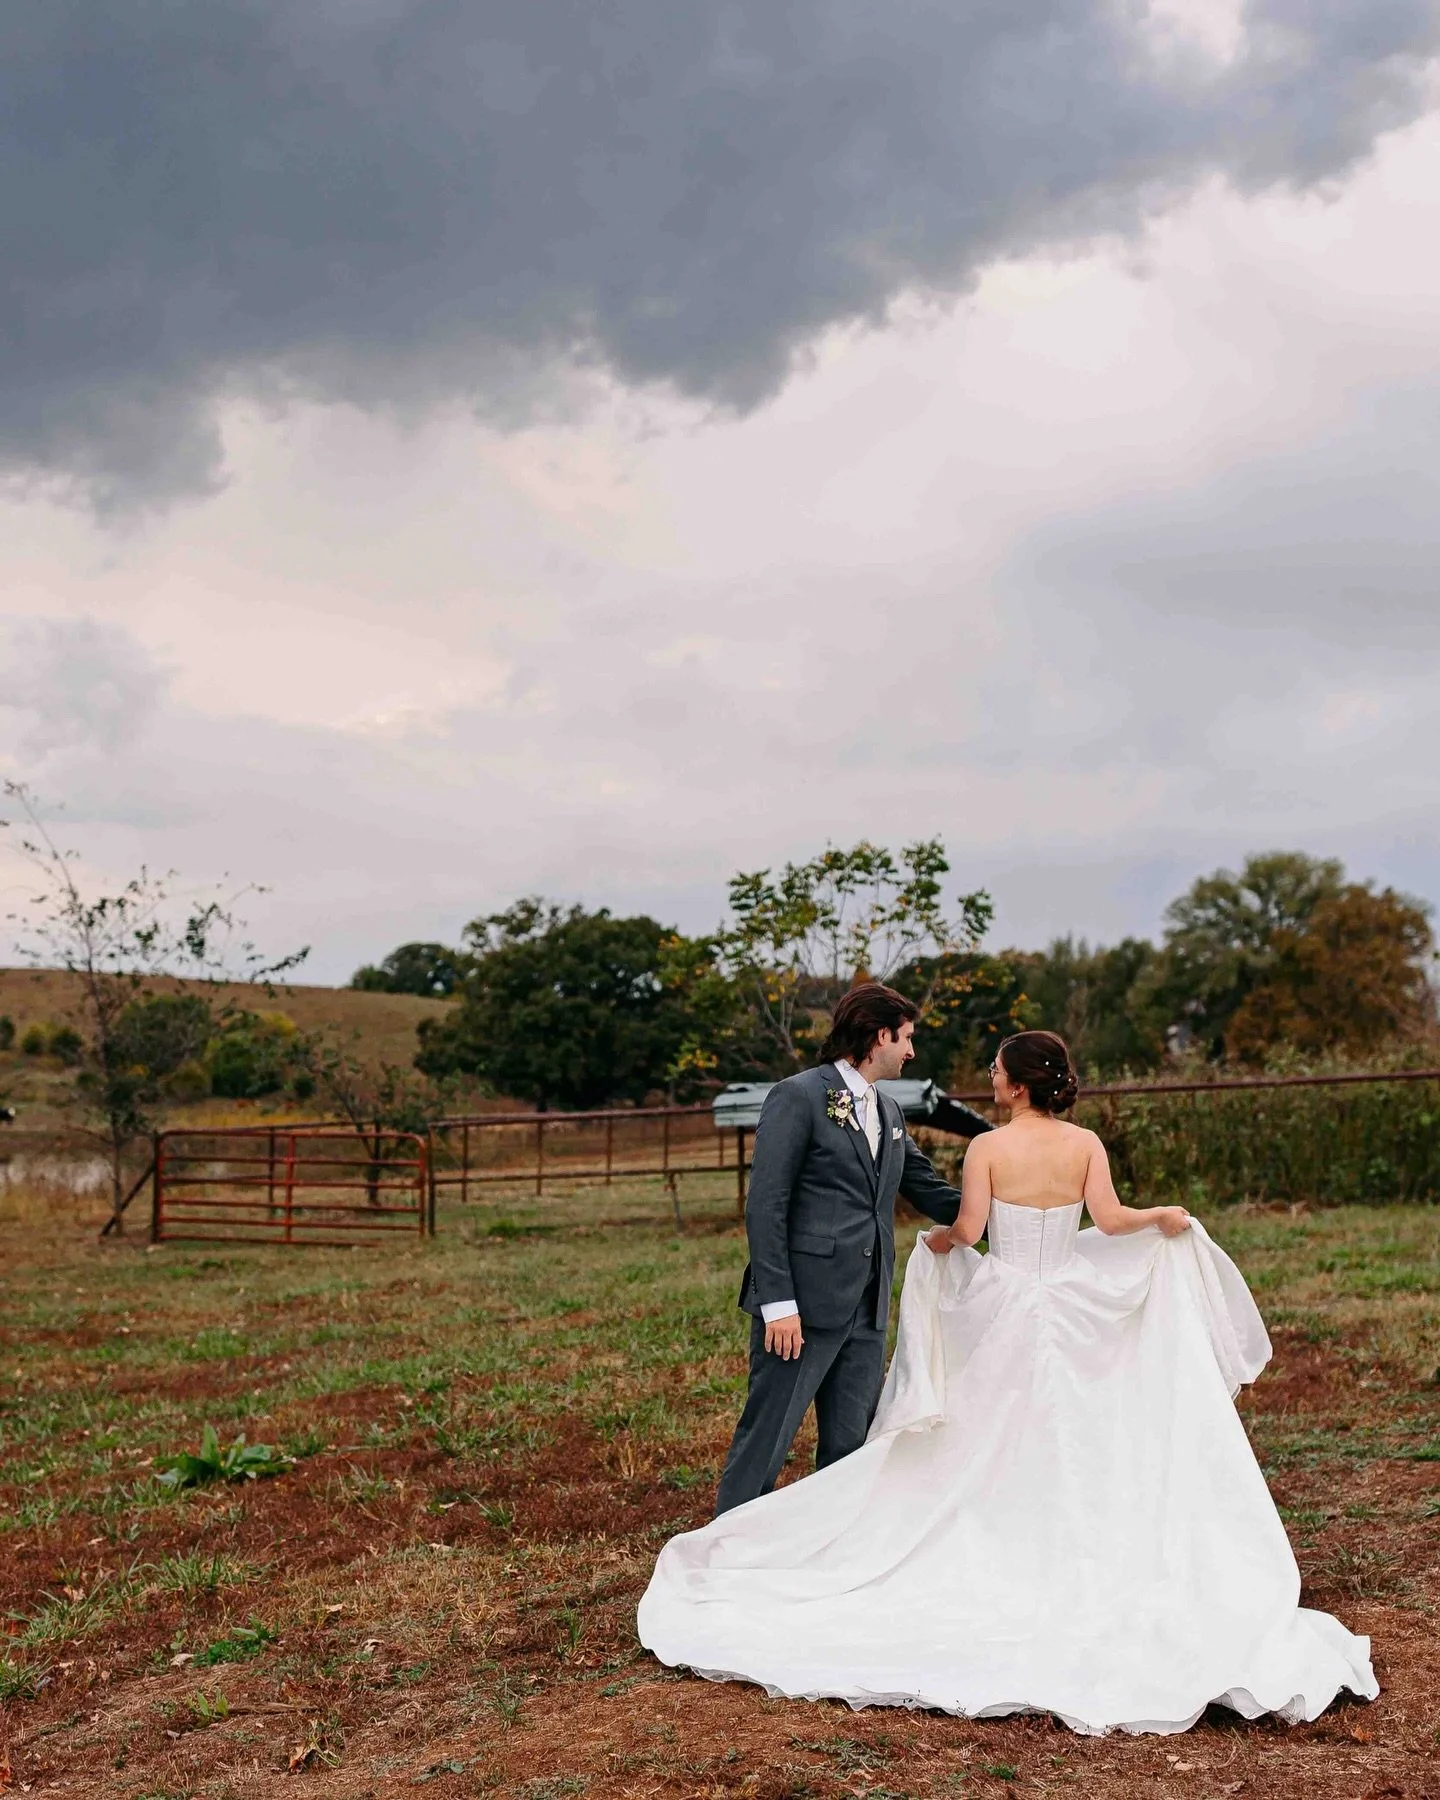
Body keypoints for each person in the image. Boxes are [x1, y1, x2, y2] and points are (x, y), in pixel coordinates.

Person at [638, 1029, 1378, 1737]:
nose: (985, 1079)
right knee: (1078, 1426)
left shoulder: (987, 1146)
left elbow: (969, 1230)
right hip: (1070, 1297)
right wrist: (1162, 1215)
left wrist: (940, 1244)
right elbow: (1114, 1221)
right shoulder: (1085, 1143)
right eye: (907, 1036)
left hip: (1008, 1303)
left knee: (983, 1427)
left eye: (995, 1071)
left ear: (1018, 1084)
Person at [713, 981, 967, 1516]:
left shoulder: (890, 1114)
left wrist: (1011, 1210)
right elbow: (767, 1205)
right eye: (907, 1039)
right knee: (769, 1436)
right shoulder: (798, 1095)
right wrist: (778, 1303)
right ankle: (727, 1545)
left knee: (850, 1445)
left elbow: (928, 1190)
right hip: (801, 1306)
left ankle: (828, 1544)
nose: (912, 1051)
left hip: (868, 1307)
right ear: (881, 1035)